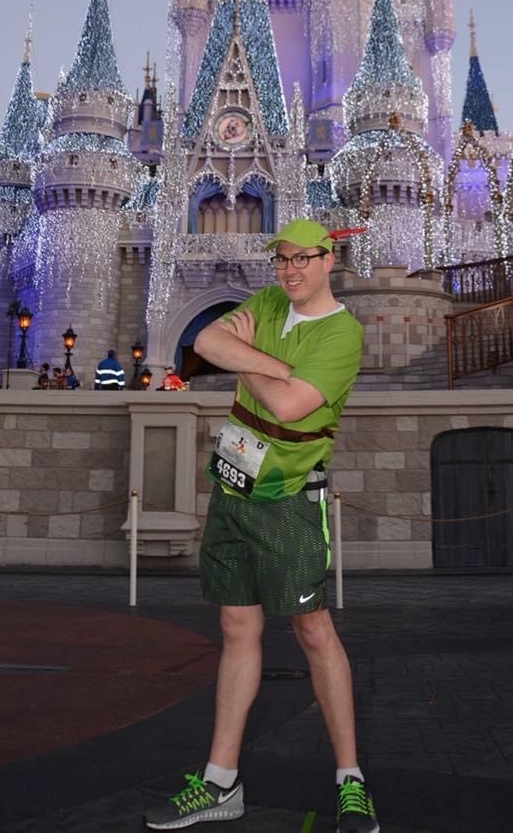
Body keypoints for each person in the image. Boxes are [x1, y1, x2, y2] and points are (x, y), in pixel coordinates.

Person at [144, 219, 376, 833]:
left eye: (303, 259)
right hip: (232, 484)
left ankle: (350, 781)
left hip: (290, 497)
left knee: (313, 630)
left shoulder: (342, 333)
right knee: (235, 626)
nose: (290, 271)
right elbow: (204, 344)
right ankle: (221, 781)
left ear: (330, 259)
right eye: (282, 260)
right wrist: (265, 366)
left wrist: (248, 362)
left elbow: (290, 405)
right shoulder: (271, 298)